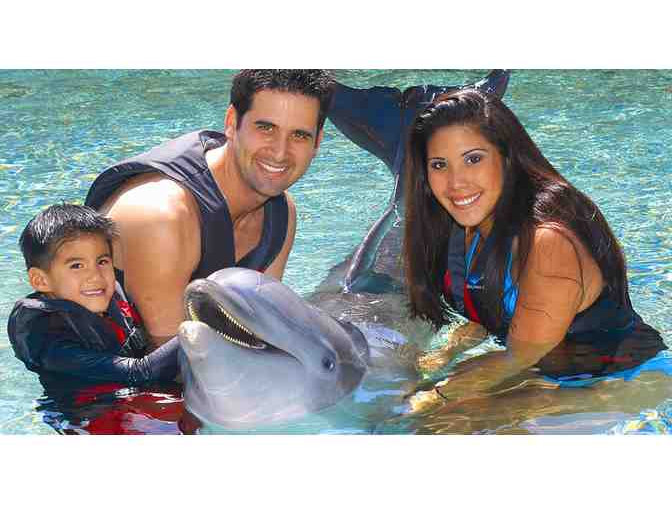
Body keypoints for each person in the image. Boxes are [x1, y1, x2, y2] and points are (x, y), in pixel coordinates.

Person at [402, 88, 669, 412]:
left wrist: (429, 398)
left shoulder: (548, 243)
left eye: (473, 159)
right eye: (439, 165)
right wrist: (443, 356)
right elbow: (493, 314)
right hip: (556, 379)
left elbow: (518, 357)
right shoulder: (472, 229)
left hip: (621, 385)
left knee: (433, 424)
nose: (456, 182)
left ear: (506, 158)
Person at [85, 70, 336, 347]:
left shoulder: (281, 213)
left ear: (317, 142)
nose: (279, 152)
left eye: (299, 135)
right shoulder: (161, 216)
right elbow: (171, 357)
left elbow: (263, 333)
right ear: (232, 122)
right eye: (266, 128)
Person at [7, 204, 179, 385]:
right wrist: (194, 332)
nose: (96, 276)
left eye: (102, 261)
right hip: (94, 401)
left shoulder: (110, 294)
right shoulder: (48, 339)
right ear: (41, 280)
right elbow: (139, 374)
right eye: (76, 266)